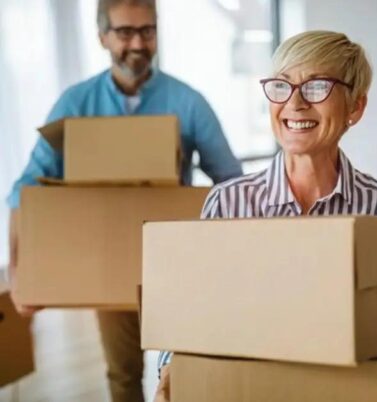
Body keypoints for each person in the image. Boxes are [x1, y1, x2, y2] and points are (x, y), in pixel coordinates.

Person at [152, 30, 377, 401]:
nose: (295, 103)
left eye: (317, 87)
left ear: (355, 107)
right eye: (281, 86)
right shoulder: (227, 204)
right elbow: (191, 318)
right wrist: (169, 373)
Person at [5, 1, 242, 401]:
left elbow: (231, 182)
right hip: (108, 259)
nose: (138, 42)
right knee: (123, 374)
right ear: (103, 37)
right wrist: (18, 271)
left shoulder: (188, 102)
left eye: (147, 31)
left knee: (184, 374)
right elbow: (26, 188)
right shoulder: (76, 103)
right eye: (125, 32)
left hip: (175, 262)